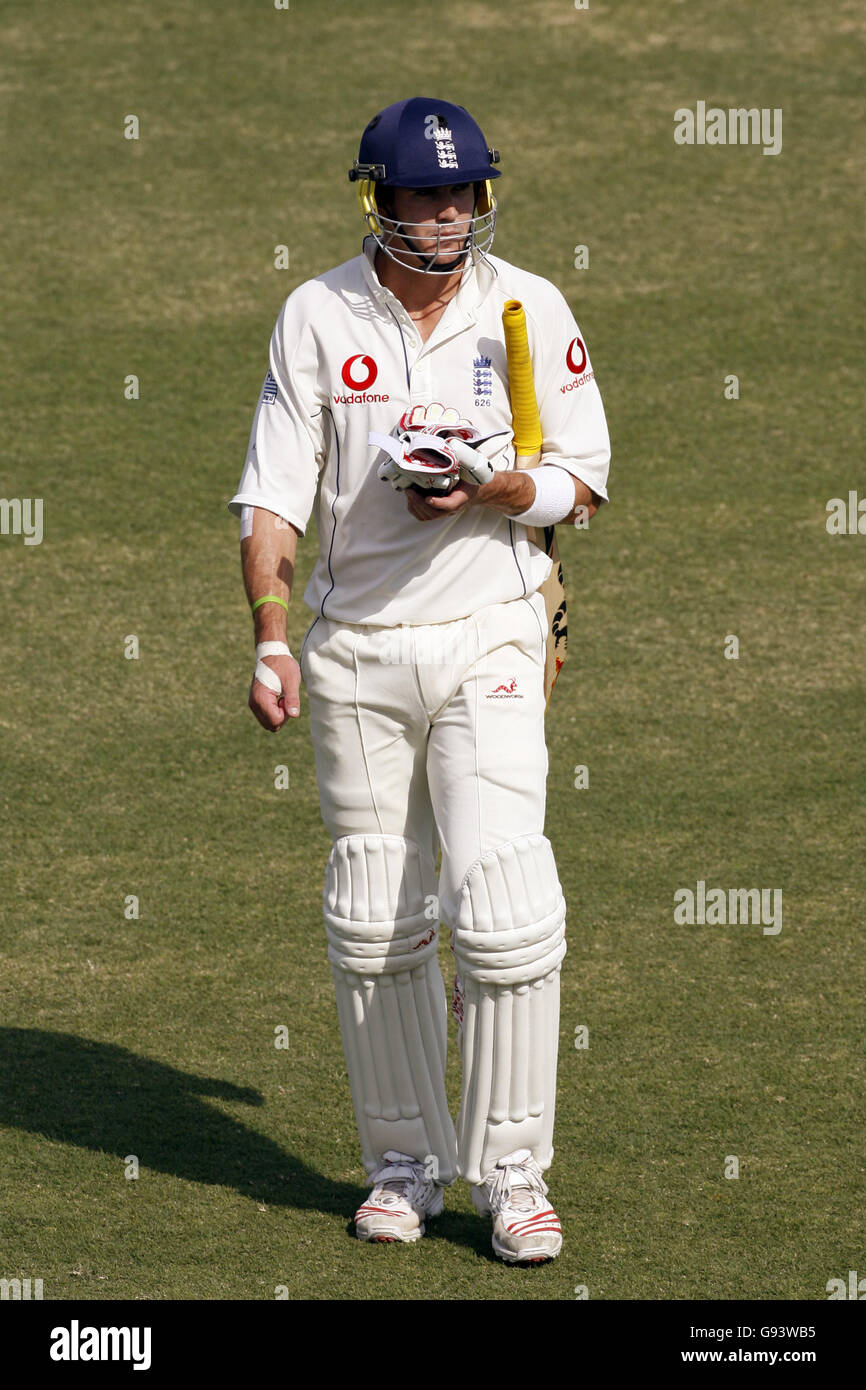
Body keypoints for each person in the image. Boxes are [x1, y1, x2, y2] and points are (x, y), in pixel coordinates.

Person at [228, 96, 610, 1265]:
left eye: (462, 195)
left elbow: (578, 487)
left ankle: (512, 1180)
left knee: (501, 908)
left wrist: (488, 489)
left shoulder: (526, 306)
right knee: (374, 921)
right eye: (422, 197)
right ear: (377, 202)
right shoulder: (315, 315)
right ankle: (401, 1169)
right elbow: (272, 495)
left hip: (492, 631)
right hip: (352, 653)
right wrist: (272, 634)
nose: (445, 218)